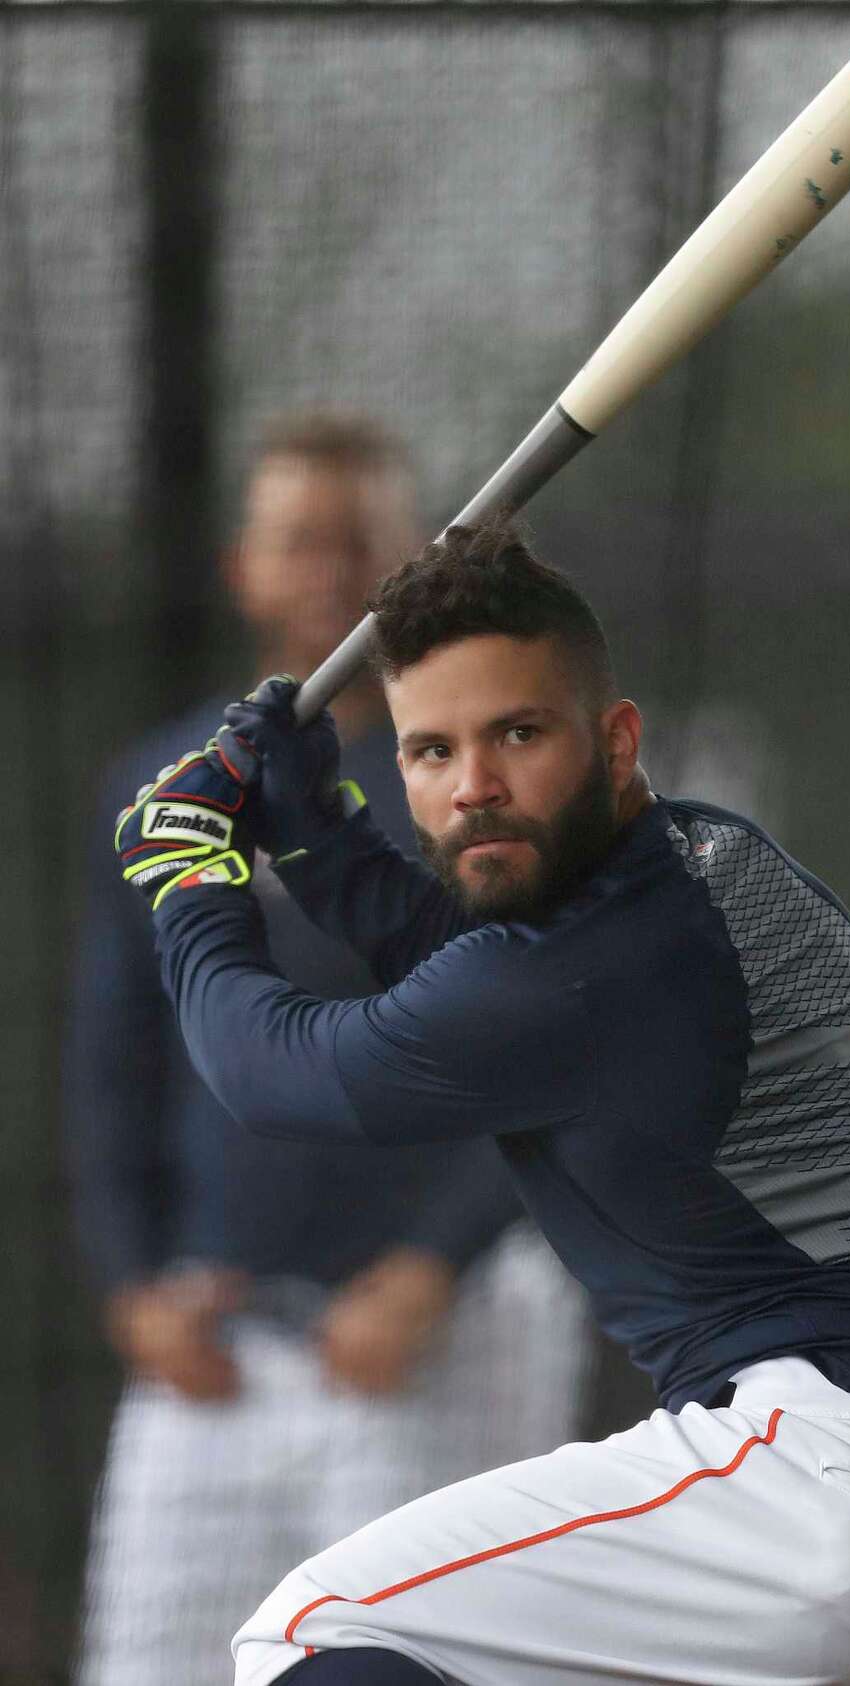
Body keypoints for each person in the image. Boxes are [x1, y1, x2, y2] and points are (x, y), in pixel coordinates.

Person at [113, 516, 850, 1686]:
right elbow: (458, 953)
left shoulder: (583, 965)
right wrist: (309, 823)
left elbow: (276, 1072)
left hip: (842, 1480)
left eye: (517, 733)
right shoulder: (694, 866)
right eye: (431, 750)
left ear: (617, 740)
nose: (474, 787)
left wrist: (186, 877)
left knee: (314, 1631)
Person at [71, 427, 589, 1686]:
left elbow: (554, 1052)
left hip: (435, 1337)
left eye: (357, 544)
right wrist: (133, 1285)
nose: (326, 573)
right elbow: (112, 1064)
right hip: (218, 1344)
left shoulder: (479, 779)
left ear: (411, 561)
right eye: (297, 543)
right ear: (243, 566)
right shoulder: (165, 786)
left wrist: (428, 1270)